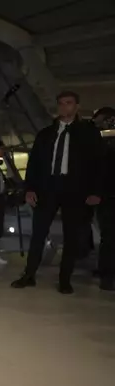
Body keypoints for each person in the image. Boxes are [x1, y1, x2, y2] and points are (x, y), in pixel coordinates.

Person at [11, 91, 104, 294]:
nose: (64, 107)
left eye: (69, 103)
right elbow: (34, 164)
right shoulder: (46, 134)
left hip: (76, 190)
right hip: (47, 187)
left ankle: (64, 279)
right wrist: (30, 189)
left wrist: (96, 191)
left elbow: (98, 164)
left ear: (77, 106)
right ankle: (29, 275)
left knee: (72, 236)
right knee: (38, 234)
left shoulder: (88, 133)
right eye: (61, 104)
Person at [91, 107, 115, 291]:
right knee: (109, 237)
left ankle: (105, 273)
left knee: (108, 237)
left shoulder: (101, 145)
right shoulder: (102, 145)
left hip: (105, 197)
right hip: (107, 198)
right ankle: (106, 275)